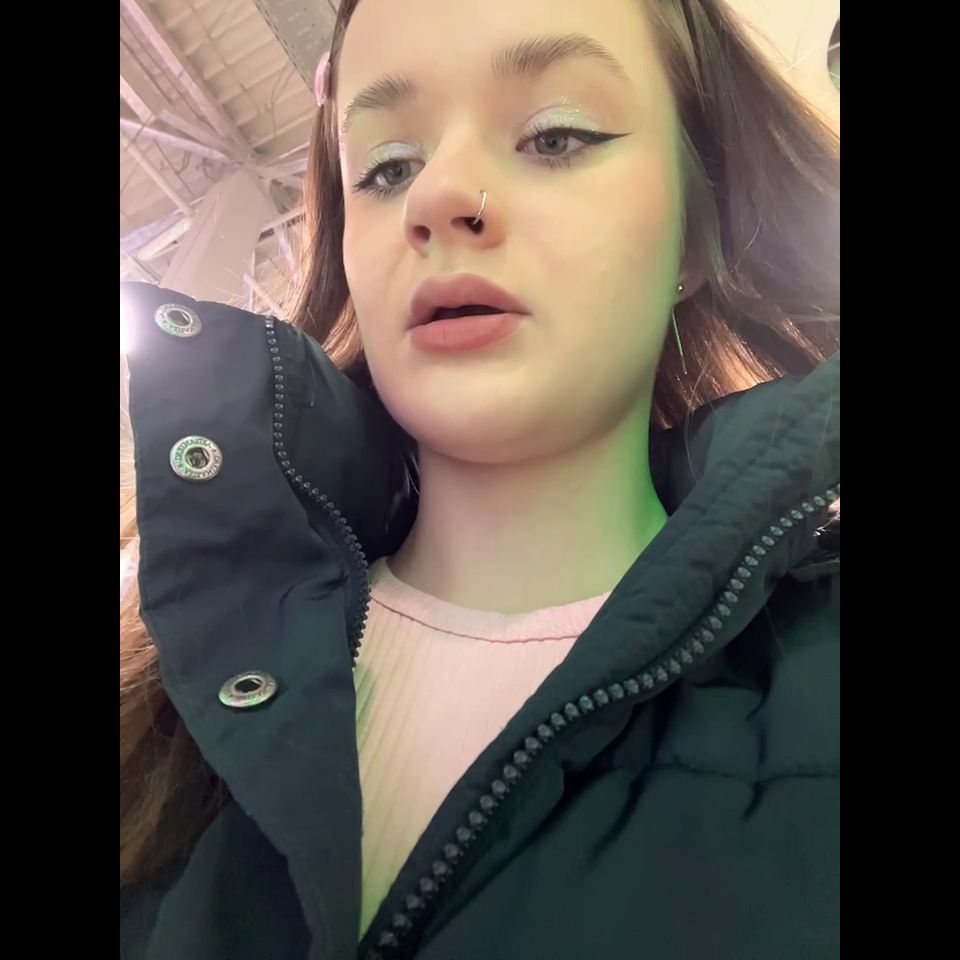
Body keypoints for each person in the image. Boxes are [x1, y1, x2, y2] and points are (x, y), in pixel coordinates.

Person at [119, 0, 840, 957]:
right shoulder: (156, 702)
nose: (437, 195)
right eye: (388, 167)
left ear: (699, 230)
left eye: (556, 136)